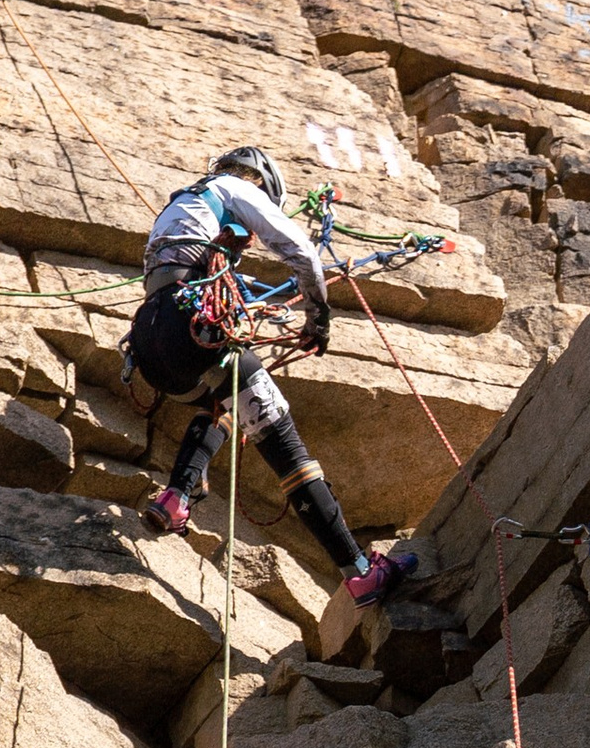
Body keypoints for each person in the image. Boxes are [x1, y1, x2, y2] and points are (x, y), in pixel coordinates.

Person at [124, 147, 415, 605]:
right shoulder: (237, 189)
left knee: (224, 406)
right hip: (190, 329)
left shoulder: (182, 205)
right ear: (258, 182)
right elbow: (304, 257)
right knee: (286, 447)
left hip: (152, 346)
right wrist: (318, 322)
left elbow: (189, 272)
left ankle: (176, 498)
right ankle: (360, 572)